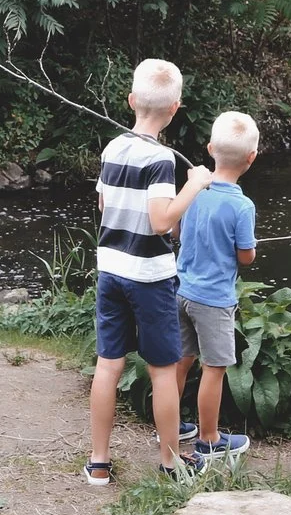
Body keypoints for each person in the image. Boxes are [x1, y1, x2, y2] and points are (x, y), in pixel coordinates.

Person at [85, 58, 212, 485]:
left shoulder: (112, 148)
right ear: (175, 108)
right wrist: (193, 186)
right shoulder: (160, 160)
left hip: (110, 271)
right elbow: (161, 223)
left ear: (131, 100)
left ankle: (99, 463)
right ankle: (171, 462)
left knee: (108, 364)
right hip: (150, 278)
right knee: (162, 369)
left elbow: (105, 206)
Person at [177, 110, 259, 464]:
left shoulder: (194, 190)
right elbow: (246, 257)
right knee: (215, 368)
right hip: (213, 301)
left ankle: (171, 423)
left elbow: (178, 232)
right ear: (251, 158)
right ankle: (209, 440)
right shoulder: (243, 206)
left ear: (210, 148)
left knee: (179, 361)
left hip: (180, 291)